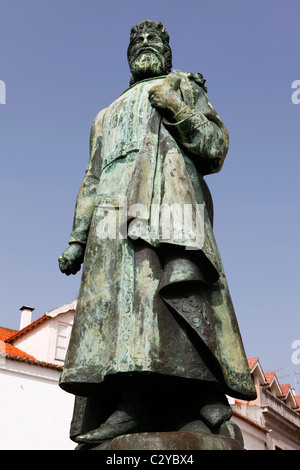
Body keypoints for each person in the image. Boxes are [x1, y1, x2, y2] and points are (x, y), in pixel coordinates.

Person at [58, 19, 256, 446]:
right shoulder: (104, 115)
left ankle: (190, 401)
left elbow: (215, 148)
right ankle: (131, 403)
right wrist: (78, 239)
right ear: (128, 56)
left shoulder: (182, 85)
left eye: (155, 41)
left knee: (165, 303)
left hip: (166, 210)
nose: (146, 46)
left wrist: (177, 107)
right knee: (117, 318)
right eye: (138, 42)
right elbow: (91, 179)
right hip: (110, 225)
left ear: (167, 52)